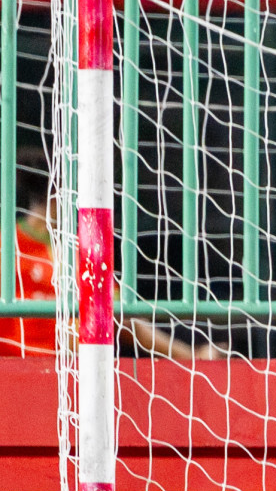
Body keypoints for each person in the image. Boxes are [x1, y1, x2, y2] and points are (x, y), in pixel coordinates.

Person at [1, 152, 221, 361]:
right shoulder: (8, 244)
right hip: (15, 373)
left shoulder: (82, 250)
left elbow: (124, 322)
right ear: (61, 195)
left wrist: (190, 355)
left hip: (73, 376)